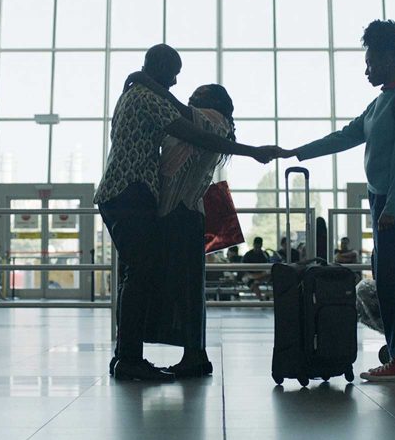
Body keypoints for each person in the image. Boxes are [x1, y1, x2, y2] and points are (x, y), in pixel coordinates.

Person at [95, 44, 276, 382]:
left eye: (196, 93)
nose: (179, 85)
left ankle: (134, 356)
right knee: (146, 277)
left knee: (148, 278)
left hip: (153, 203)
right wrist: (252, 151)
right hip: (134, 195)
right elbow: (188, 129)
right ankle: (132, 358)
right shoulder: (147, 98)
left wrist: (142, 81)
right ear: (160, 68)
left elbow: (194, 129)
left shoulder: (147, 98)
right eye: (174, 74)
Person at [278, 19, 395, 382]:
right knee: (386, 278)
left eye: (371, 60)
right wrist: (298, 152)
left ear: (390, 58)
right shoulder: (379, 103)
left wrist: (391, 208)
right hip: (382, 204)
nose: (367, 68)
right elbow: (345, 136)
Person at [145, 84, 237, 378]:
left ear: (217, 103)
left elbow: (182, 113)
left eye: (200, 96)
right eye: (193, 97)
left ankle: (194, 355)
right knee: (186, 288)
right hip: (183, 213)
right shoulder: (203, 123)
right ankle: (194, 353)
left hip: (180, 212)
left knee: (185, 289)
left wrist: (150, 85)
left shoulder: (213, 121)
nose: (192, 100)